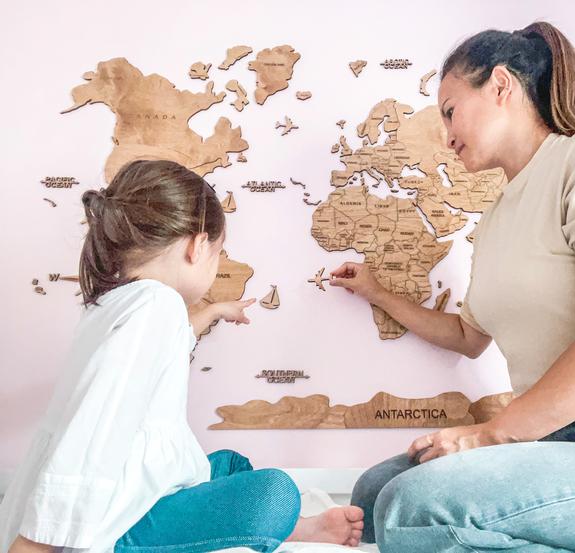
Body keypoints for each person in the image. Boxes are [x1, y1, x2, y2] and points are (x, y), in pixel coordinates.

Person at [329, 21, 575, 553]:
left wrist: (489, 433)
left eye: (450, 110)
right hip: (558, 438)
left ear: (500, 85)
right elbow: (468, 335)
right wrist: (377, 292)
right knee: (374, 496)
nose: (445, 132)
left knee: (415, 508)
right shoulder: (497, 213)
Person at [0, 160, 364, 553]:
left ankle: (287, 529)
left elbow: (147, 365)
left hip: (132, 493)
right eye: (219, 252)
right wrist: (36, 544)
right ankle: (289, 527)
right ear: (197, 245)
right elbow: (96, 429)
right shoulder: (155, 306)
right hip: (109, 526)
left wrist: (210, 314)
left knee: (229, 465)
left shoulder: (121, 304)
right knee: (275, 493)